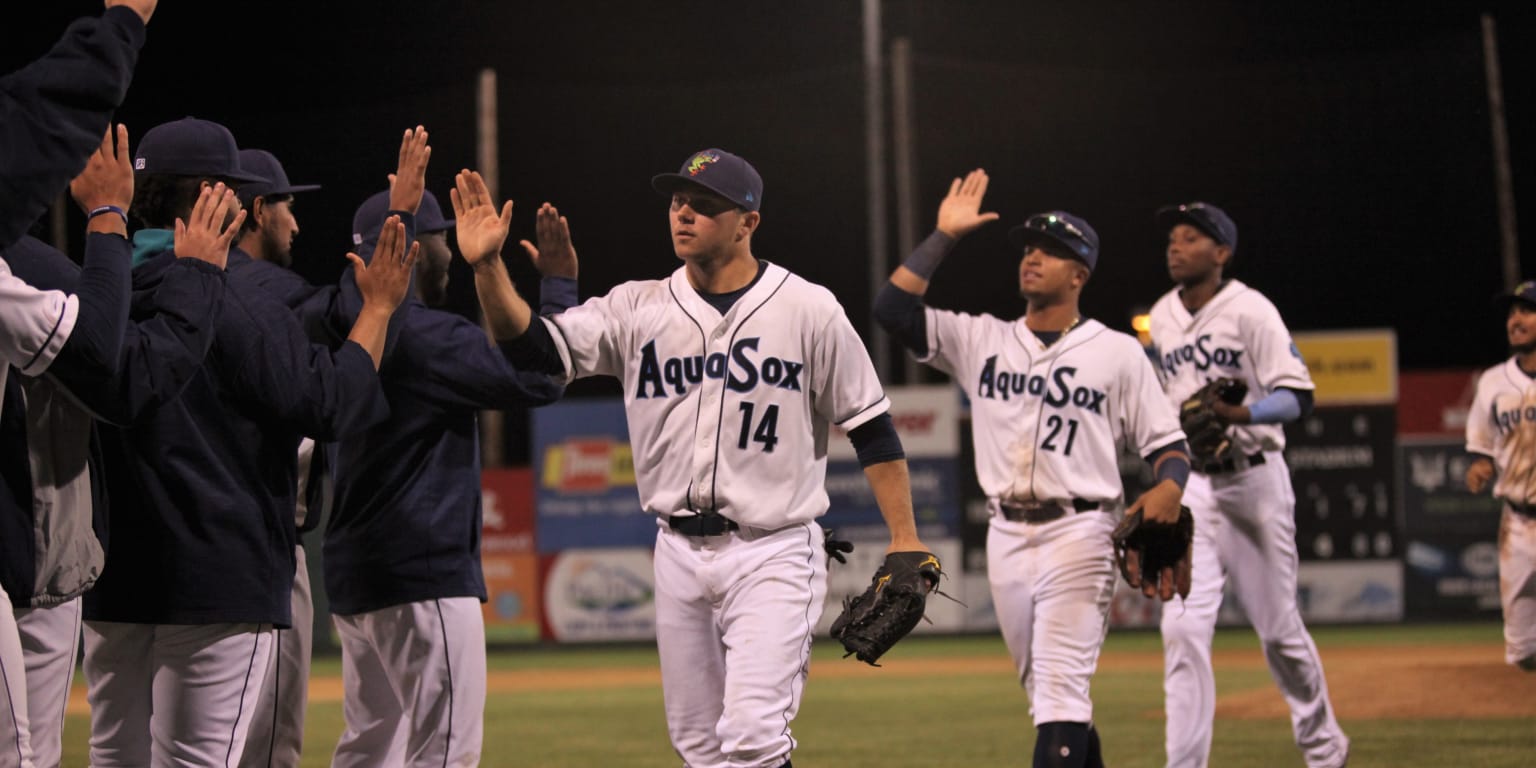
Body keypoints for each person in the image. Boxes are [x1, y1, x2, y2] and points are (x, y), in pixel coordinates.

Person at [499, 148, 932, 768]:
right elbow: (536, 354)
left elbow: (872, 428)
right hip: (675, 551)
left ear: (748, 222)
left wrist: (905, 537)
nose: (684, 214)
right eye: (678, 201)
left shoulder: (808, 308)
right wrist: (489, 268)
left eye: (706, 205)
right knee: (701, 748)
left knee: (754, 736)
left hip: (773, 549)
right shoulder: (635, 306)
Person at [80, 118, 420, 768]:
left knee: (113, 758)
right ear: (217, 198)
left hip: (112, 579)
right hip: (218, 578)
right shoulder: (242, 300)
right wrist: (377, 310)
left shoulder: (99, 290)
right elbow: (331, 402)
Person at [873, 169, 1189, 768]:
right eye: (1030, 248)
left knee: (1061, 693)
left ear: (1080, 274)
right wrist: (942, 237)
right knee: (1049, 698)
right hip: (1007, 538)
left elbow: (1168, 444)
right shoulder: (981, 339)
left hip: (1081, 532)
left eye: (1054, 251)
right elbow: (892, 309)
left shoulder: (1117, 350)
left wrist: (1171, 485)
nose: (1034, 257)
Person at [322, 170, 564, 768]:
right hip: (421, 574)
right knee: (446, 750)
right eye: (436, 238)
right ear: (406, 248)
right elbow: (540, 376)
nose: (446, 253)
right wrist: (558, 286)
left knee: (370, 745)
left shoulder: (335, 329)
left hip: (355, 578)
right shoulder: (428, 337)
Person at [1148, 201, 1349, 768]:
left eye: (1191, 237)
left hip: (1255, 485)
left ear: (1221, 252)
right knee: (1181, 631)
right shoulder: (1162, 316)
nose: (1176, 245)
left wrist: (1238, 417)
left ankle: (1326, 748)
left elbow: (1298, 397)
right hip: (1195, 488)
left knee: (1280, 634)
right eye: (1173, 237)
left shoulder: (1251, 309)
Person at [230, 147, 323, 768]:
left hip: (184, 549)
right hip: (260, 550)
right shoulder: (286, 301)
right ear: (259, 210)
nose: (297, 222)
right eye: (289, 205)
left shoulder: (168, 285)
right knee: (269, 749)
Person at [1464, 279, 1536, 674]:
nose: (1515, 319)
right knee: (1523, 653)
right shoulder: (1493, 382)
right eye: (1511, 313)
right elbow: (1481, 450)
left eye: (1526, 310)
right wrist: (1480, 466)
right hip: (1519, 524)